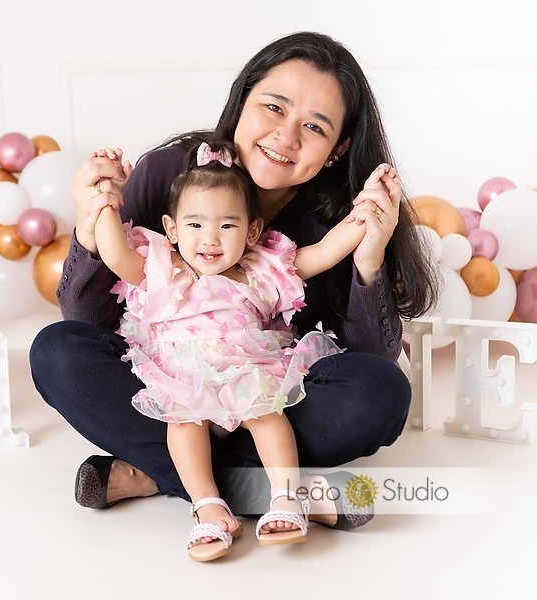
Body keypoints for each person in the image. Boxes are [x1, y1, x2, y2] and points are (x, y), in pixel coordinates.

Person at [30, 31, 437, 537]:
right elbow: (93, 320)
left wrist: (369, 255)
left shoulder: (326, 219)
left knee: (380, 393)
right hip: (170, 378)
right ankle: (272, 491)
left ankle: (161, 478)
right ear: (242, 101)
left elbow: (368, 357)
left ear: (338, 149)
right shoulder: (172, 175)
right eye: (274, 107)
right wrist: (93, 221)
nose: (286, 137)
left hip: (266, 388)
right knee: (57, 352)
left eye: (314, 126)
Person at [90, 141, 386, 560]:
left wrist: (366, 212)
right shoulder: (162, 269)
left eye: (227, 226)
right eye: (194, 226)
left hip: (246, 369)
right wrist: (104, 197)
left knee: (267, 415)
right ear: (171, 230)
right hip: (184, 378)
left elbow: (322, 254)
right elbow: (115, 252)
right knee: (184, 425)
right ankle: (208, 505)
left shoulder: (259, 271)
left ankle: (286, 496)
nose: (210, 239)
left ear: (251, 231)